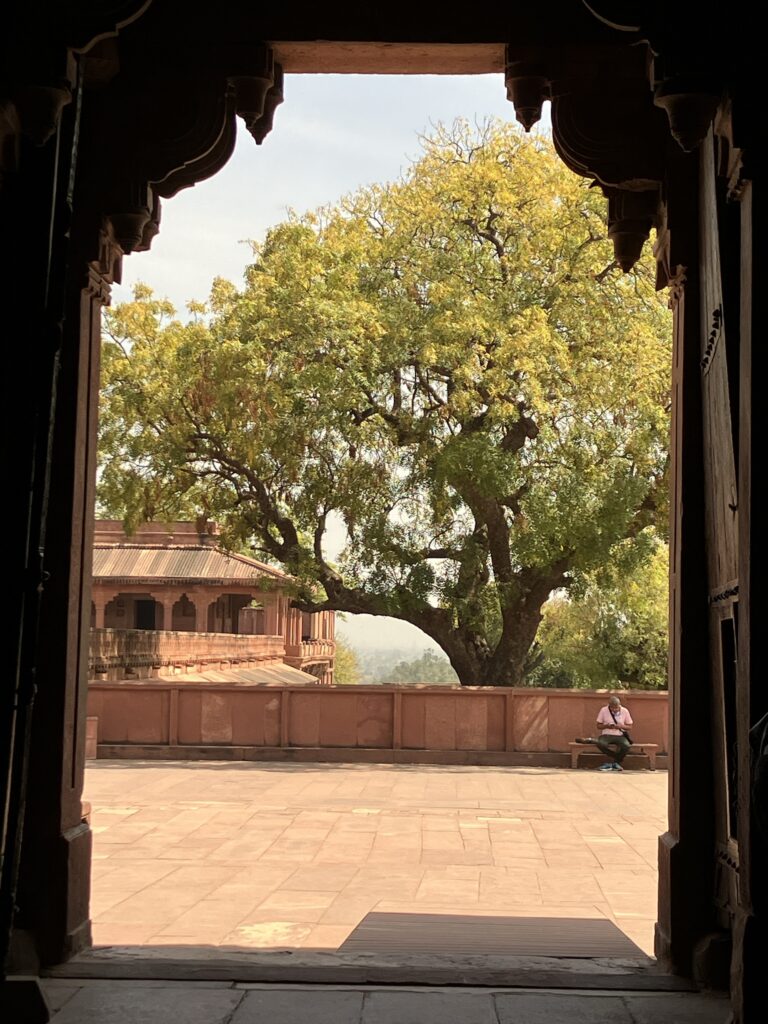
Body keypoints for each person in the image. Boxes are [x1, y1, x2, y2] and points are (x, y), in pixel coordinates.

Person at [595, 695, 633, 771]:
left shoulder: (625, 711)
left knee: (626, 746)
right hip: (607, 734)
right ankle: (616, 758)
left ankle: (616, 762)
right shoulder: (603, 710)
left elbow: (630, 726)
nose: (615, 709)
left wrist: (621, 726)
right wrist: (606, 726)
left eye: (616, 708)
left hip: (620, 735)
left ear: (619, 705)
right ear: (609, 706)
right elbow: (598, 725)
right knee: (600, 744)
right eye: (613, 708)